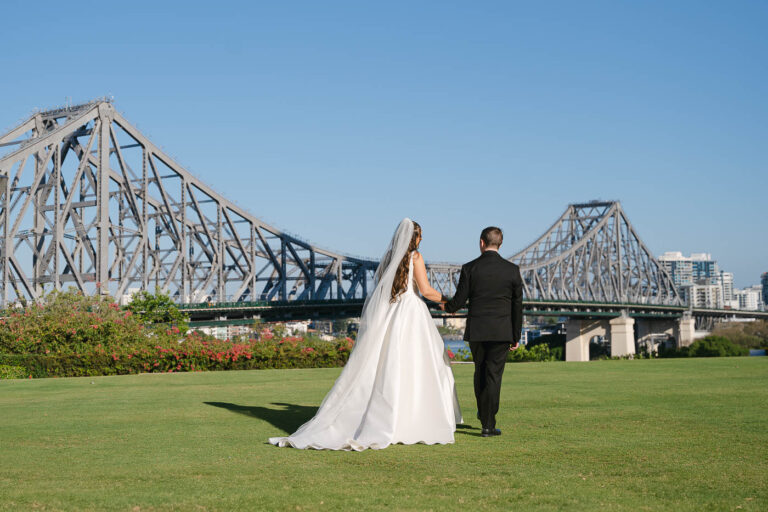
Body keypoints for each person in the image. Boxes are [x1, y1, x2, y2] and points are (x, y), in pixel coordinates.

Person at [269, 219, 462, 450]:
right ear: (414, 238)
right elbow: (427, 290)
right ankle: (412, 419)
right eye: (420, 237)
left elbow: (382, 287)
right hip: (411, 311)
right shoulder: (416, 257)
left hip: (392, 311)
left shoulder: (388, 258)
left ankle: (386, 418)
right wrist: (448, 302)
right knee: (418, 365)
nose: (421, 241)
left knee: (386, 365)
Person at [442, 226, 523, 438]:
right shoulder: (512, 270)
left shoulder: (470, 268)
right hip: (502, 332)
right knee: (494, 377)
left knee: (480, 373)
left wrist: (446, 306)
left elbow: (459, 300)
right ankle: (488, 424)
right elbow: (517, 307)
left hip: (477, 331)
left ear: (481, 242)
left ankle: (483, 413)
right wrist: (516, 335)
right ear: (500, 243)